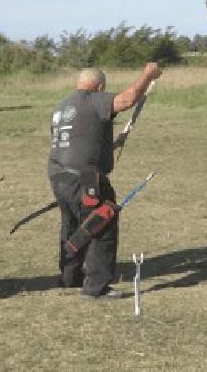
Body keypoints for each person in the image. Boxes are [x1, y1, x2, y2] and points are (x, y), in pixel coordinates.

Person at [48, 63, 161, 298]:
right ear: (99, 87)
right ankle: (96, 287)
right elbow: (125, 101)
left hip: (59, 176)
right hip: (85, 178)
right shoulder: (93, 99)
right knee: (102, 222)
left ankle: (70, 277)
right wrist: (147, 76)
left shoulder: (62, 106)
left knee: (72, 224)